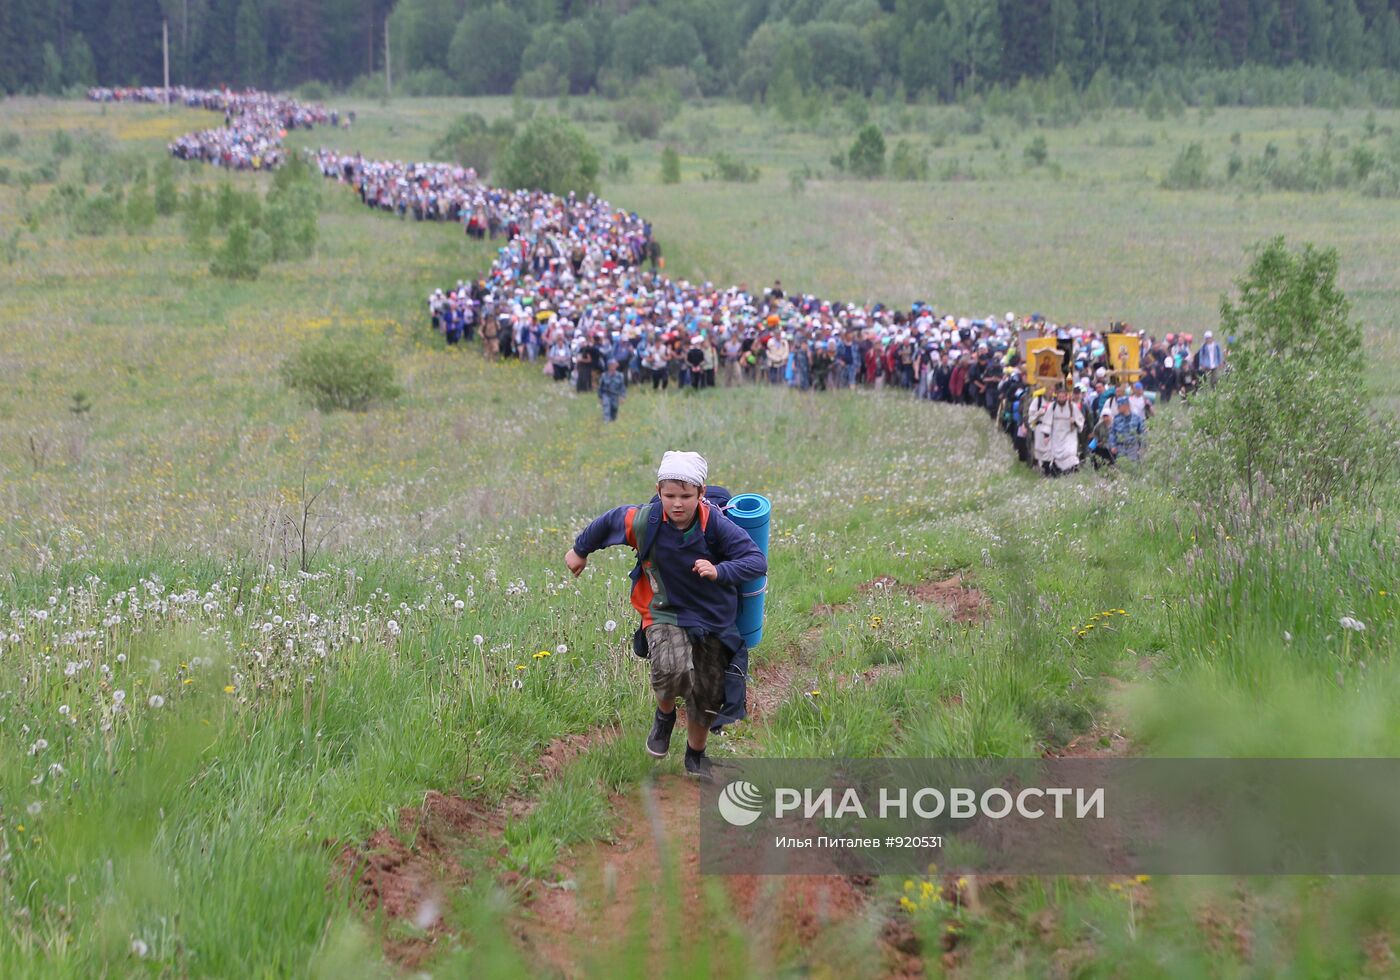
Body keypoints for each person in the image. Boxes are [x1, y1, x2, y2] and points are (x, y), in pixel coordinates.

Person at [564, 451, 767, 782]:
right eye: (669, 495)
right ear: (658, 492)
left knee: (707, 692)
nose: (677, 504)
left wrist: (719, 570)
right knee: (671, 668)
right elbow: (610, 521)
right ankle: (665, 716)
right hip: (663, 611)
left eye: (686, 496)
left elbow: (756, 561)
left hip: (713, 618)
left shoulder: (716, 525)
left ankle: (695, 757)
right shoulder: (646, 521)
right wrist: (579, 550)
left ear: (701, 494)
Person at [1108, 396, 1146, 462]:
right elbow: (1112, 433)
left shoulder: (1137, 418)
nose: (1118, 408)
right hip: (1120, 447)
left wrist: (1142, 447)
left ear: (1126, 405)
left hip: (1133, 447)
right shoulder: (1116, 419)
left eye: (1119, 406)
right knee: (1121, 466)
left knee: (1133, 466)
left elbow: (1142, 433)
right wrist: (1113, 446)